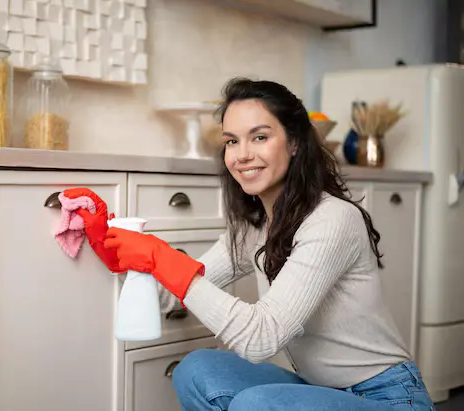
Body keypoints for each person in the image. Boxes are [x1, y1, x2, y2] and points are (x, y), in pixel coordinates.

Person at [62, 78, 436, 411]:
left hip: (389, 397)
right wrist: (108, 245)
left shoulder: (332, 219)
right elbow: (173, 296)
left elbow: (261, 338)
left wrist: (164, 259)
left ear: (293, 143)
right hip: (316, 389)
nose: (241, 155)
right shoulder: (257, 226)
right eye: (231, 141)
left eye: (259, 137)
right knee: (197, 370)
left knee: (257, 403)